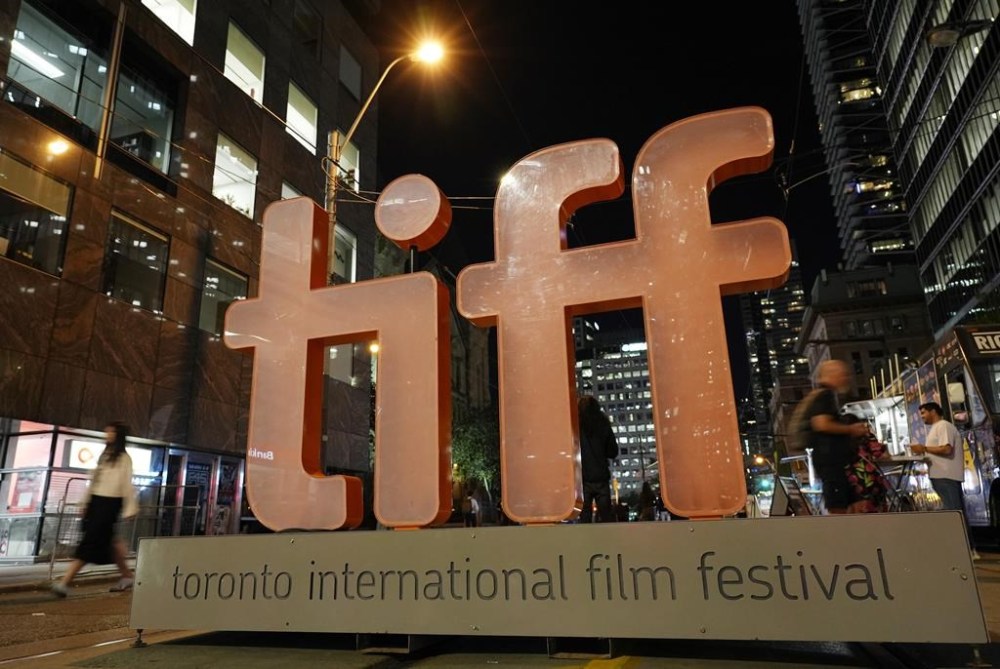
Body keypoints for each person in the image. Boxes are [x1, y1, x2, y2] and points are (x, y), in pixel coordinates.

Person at [51, 421, 138, 597]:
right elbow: (94, 482)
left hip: (110, 502)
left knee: (91, 542)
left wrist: (130, 507)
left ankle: (65, 582)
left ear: (118, 435)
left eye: (111, 432)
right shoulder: (105, 455)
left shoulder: (124, 458)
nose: (107, 435)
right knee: (107, 542)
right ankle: (127, 575)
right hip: (97, 502)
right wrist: (85, 503)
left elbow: (127, 484)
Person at [802, 360, 870, 514]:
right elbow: (821, 424)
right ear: (832, 375)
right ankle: (841, 536)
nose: (846, 378)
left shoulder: (825, 395)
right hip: (830, 462)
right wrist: (850, 429)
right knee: (838, 507)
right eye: (843, 374)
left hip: (833, 462)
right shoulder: (825, 394)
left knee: (849, 504)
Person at [910, 402, 965, 512]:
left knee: (954, 512)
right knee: (952, 511)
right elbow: (935, 451)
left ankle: (956, 529)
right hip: (940, 476)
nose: (922, 417)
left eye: (923, 413)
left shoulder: (943, 425)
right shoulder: (935, 428)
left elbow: (946, 449)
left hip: (947, 476)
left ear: (933, 411)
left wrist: (924, 448)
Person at [578, 395, 619, 523]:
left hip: (583, 477)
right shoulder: (603, 424)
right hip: (601, 476)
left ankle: (585, 542)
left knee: (584, 516)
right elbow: (613, 452)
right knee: (606, 516)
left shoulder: (575, 425)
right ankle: (609, 541)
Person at [842, 413, 889, 513]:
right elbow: (884, 454)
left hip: (849, 485)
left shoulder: (839, 442)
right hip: (870, 483)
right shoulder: (866, 438)